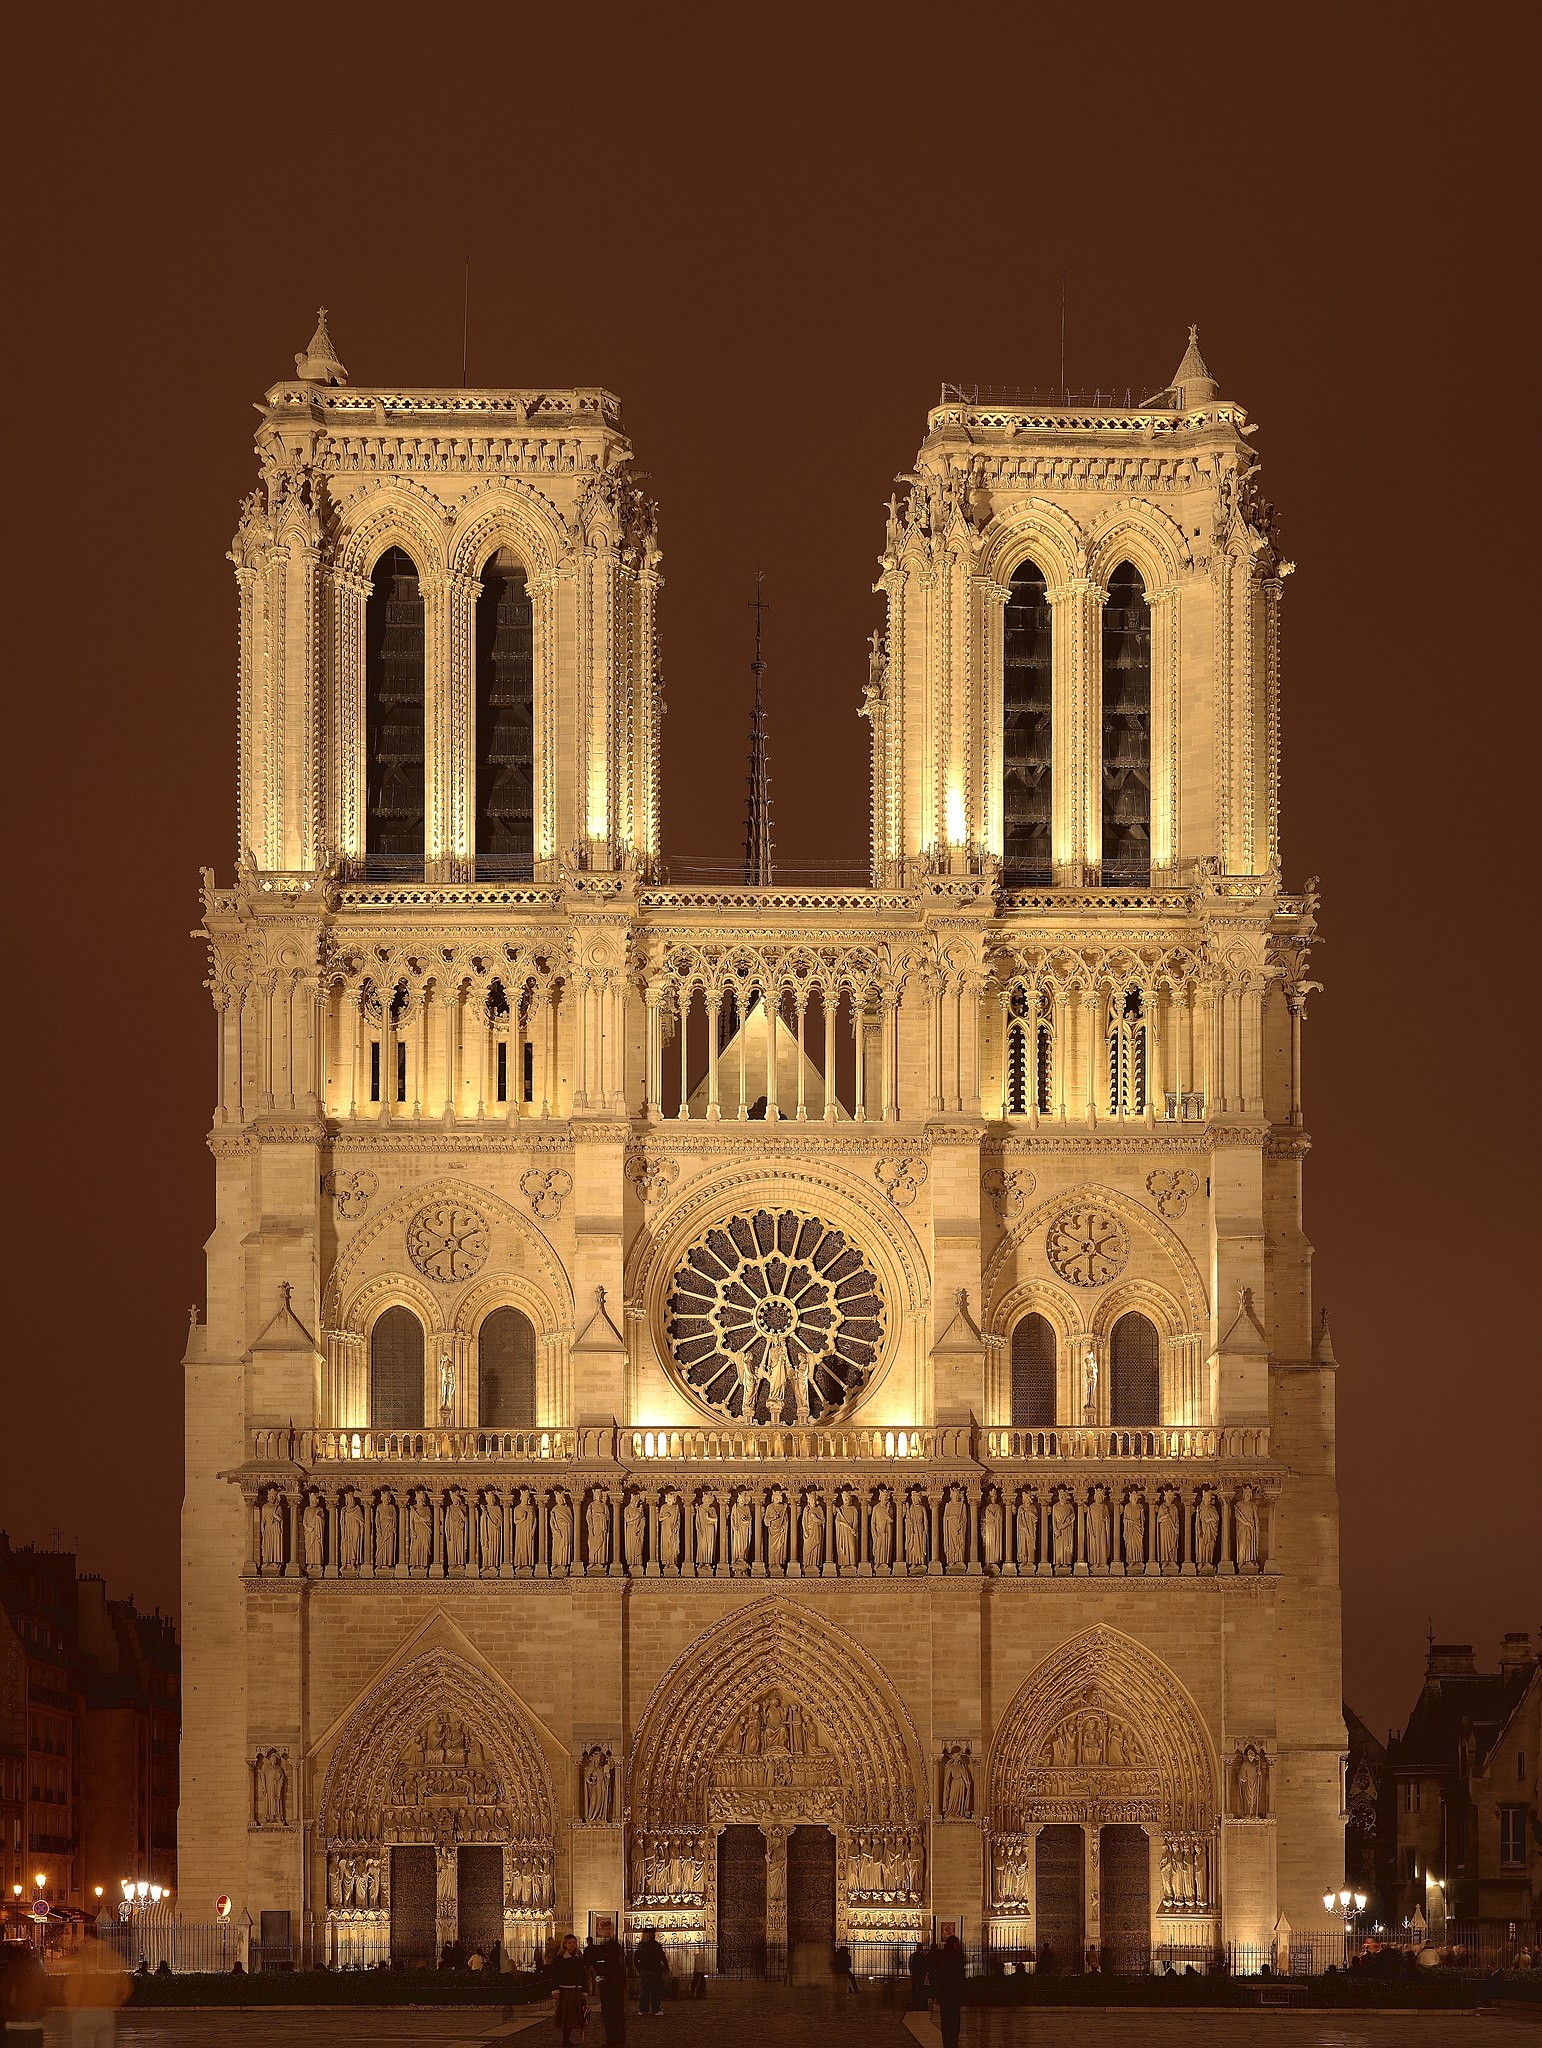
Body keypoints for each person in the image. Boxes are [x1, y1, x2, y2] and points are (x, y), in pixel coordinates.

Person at [0, 1943, 49, 2047]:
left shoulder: (8, 1975)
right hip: (34, 2025)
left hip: (11, 2026)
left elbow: (5, 2000)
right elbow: (43, 2001)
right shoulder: (36, 1972)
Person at [551, 1934, 588, 2047]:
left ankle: (567, 2039)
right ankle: (565, 2040)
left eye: (574, 1942)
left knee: (573, 2017)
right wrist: (555, 1989)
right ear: (565, 1944)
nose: (572, 1945)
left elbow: (583, 1975)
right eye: (570, 1943)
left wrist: (584, 1990)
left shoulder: (578, 1958)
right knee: (566, 2017)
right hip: (565, 1990)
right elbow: (555, 1975)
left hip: (575, 1990)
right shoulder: (559, 1959)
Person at [592, 1931, 628, 2044]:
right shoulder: (616, 1947)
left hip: (610, 1983)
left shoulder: (610, 1947)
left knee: (612, 2012)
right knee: (615, 2012)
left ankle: (614, 2038)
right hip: (613, 1983)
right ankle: (617, 2037)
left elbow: (598, 1964)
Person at [931, 1934, 966, 2048]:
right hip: (952, 1994)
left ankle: (948, 2043)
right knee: (953, 2021)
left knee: (947, 2021)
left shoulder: (943, 1957)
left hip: (947, 1994)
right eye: (957, 1943)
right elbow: (960, 1977)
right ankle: (951, 2043)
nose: (959, 1945)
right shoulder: (956, 1958)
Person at [635, 1927, 667, 2017]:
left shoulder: (642, 1945)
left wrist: (639, 1969)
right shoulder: (656, 1945)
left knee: (645, 1991)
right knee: (655, 1991)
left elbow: (636, 1958)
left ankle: (643, 2009)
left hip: (646, 1971)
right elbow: (662, 1956)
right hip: (654, 1971)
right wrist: (665, 1968)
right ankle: (655, 2009)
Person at [908, 1939, 929, 2009]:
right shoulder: (922, 1956)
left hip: (917, 1973)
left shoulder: (915, 1955)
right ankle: (917, 2000)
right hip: (919, 1973)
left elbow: (910, 1964)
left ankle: (915, 2000)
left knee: (916, 1987)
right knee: (918, 1987)